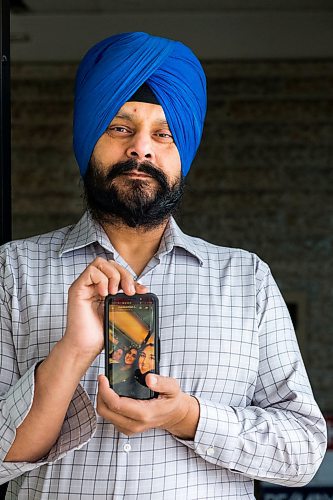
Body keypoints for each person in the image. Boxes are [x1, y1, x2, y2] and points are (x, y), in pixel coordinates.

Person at [0, 31, 327, 499]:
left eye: (163, 133)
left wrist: (187, 417)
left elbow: (305, 452)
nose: (141, 149)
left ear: (182, 152)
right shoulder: (14, 271)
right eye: (119, 128)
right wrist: (72, 351)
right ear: (87, 138)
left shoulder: (245, 279)